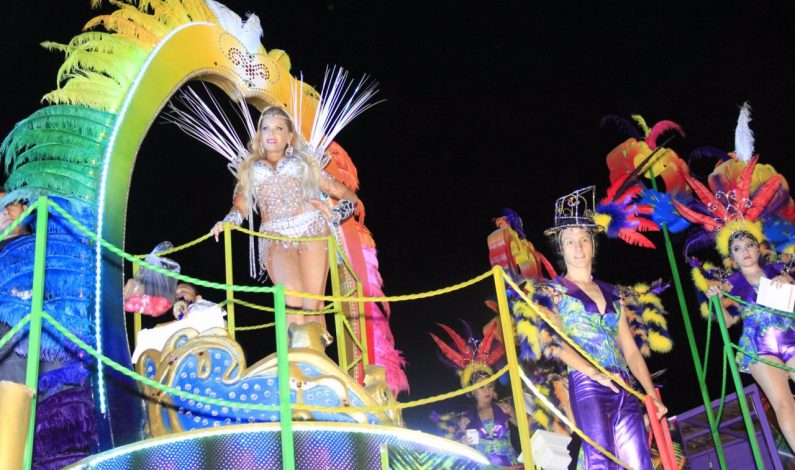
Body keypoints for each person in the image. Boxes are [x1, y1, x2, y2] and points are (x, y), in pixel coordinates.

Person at [542, 186, 666, 470]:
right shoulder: (554, 291)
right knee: (601, 461)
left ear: (594, 245)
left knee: (640, 462)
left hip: (624, 384)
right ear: (560, 248)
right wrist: (592, 372)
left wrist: (648, 395)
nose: (578, 248)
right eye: (570, 241)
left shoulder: (613, 293)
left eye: (584, 239)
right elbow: (555, 343)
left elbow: (632, 352)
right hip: (587, 383)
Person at [210, 106, 359, 328]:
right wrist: (228, 221)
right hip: (275, 235)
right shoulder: (249, 169)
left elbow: (349, 196)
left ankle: (314, 359)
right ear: (259, 135)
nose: (272, 133)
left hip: (312, 230)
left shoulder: (305, 164)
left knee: (312, 306)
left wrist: (336, 214)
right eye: (266, 128)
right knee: (291, 296)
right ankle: (293, 358)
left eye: (279, 128)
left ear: (289, 136)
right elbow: (240, 206)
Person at [705, 230, 795, 450]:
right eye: (737, 249)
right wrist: (716, 301)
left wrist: (790, 282)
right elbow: (727, 323)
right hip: (759, 347)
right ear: (732, 257)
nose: (744, 251)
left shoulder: (778, 269)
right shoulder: (730, 284)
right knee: (784, 404)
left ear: (757, 248)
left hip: (790, 337)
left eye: (748, 246)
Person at [458, 372, 518, 466]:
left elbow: (524, 428)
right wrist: (464, 443)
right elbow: (465, 449)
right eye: (481, 387)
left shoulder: (504, 408)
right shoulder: (467, 418)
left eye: (490, 386)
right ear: (473, 390)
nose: (487, 391)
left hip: (512, 463)